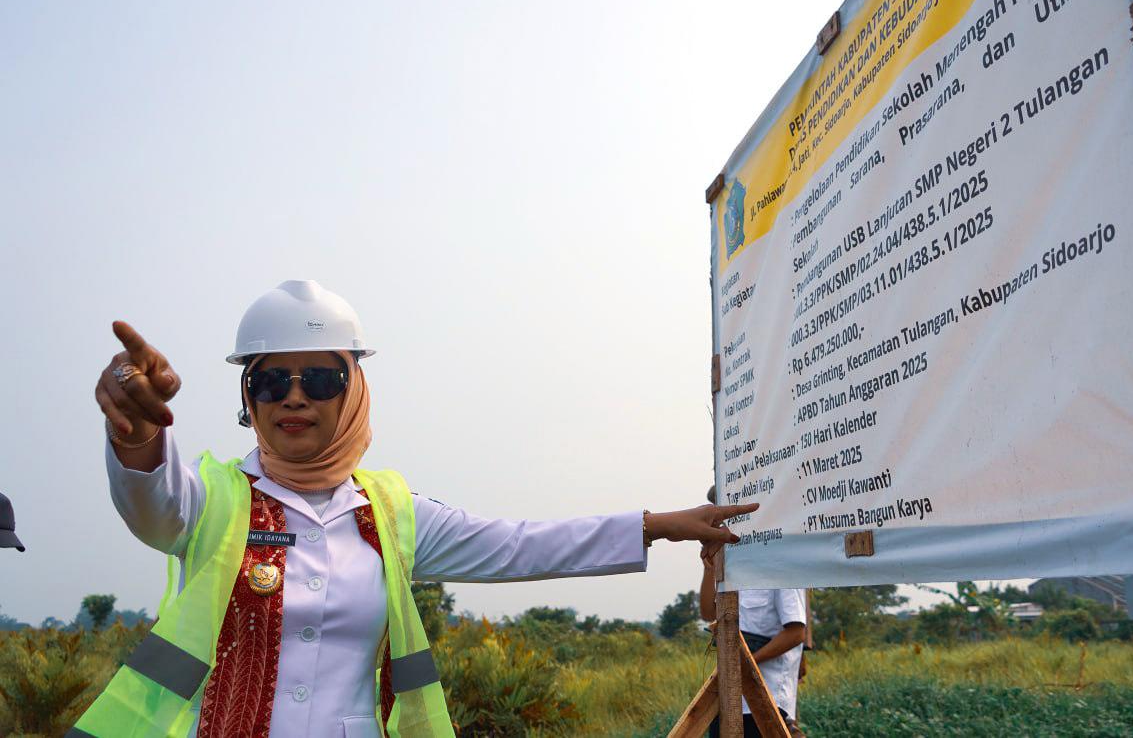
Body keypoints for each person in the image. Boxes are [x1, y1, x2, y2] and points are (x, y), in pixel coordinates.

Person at [74, 280, 756, 737]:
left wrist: (657, 525)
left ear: (355, 389)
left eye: (319, 377)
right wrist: (136, 434)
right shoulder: (211, 497)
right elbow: (150, 502)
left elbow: (520, 544)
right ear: (248, 394)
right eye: (271, 378)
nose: (293, 396)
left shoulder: (390, 511)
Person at [700, 490, 805, 738]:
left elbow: (796, 632)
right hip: (728, 699)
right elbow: (707, 612)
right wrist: (709, 568)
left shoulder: (780, 560)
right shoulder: (728, 559)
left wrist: (745, 664)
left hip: (767, 700)